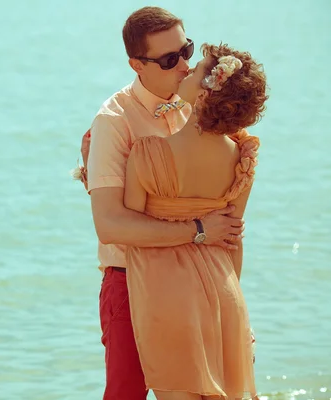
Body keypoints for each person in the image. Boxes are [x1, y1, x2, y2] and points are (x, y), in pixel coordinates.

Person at [72, 7, 246, 399]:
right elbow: (110, 225)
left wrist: (236, 314)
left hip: (197, 282)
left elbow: (229, 220)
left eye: (186, 50)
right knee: (126, 394)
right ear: (137, 64)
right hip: (129, 279)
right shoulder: (114, 121)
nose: (184, 65)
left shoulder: (203, 106)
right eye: (169, 60)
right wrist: (199, 231)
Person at [123, 43, 268, 400]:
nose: (187, 69)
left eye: (198, 67)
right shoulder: (242, 159)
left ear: (206, 95)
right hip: (224, 297)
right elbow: (233, 241)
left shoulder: (148, 154)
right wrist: (238, 316)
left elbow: (128, 230)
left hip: (165, 299)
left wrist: (90, 178)